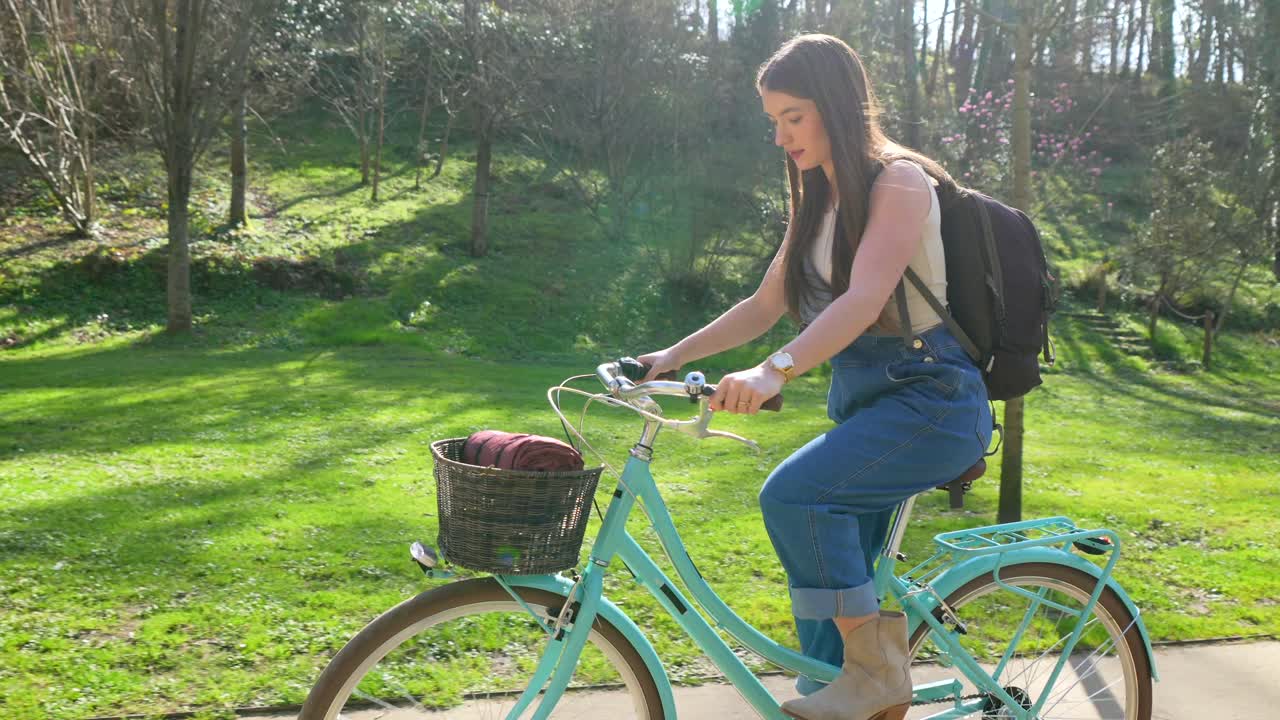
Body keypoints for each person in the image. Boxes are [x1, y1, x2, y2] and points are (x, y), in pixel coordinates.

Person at [637, 34, 992, 720]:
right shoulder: (819, 198)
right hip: (872, 409)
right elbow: (763, 305)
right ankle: (847, 687)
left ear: (835, 105)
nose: (781, 137)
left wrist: (774, 371)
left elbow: (863, 300)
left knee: (797, 497)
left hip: (933, 401)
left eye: (793, 117)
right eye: (774, 120)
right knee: (827, 601)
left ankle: (877, 675)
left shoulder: (900, 182)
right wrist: (670, 357)